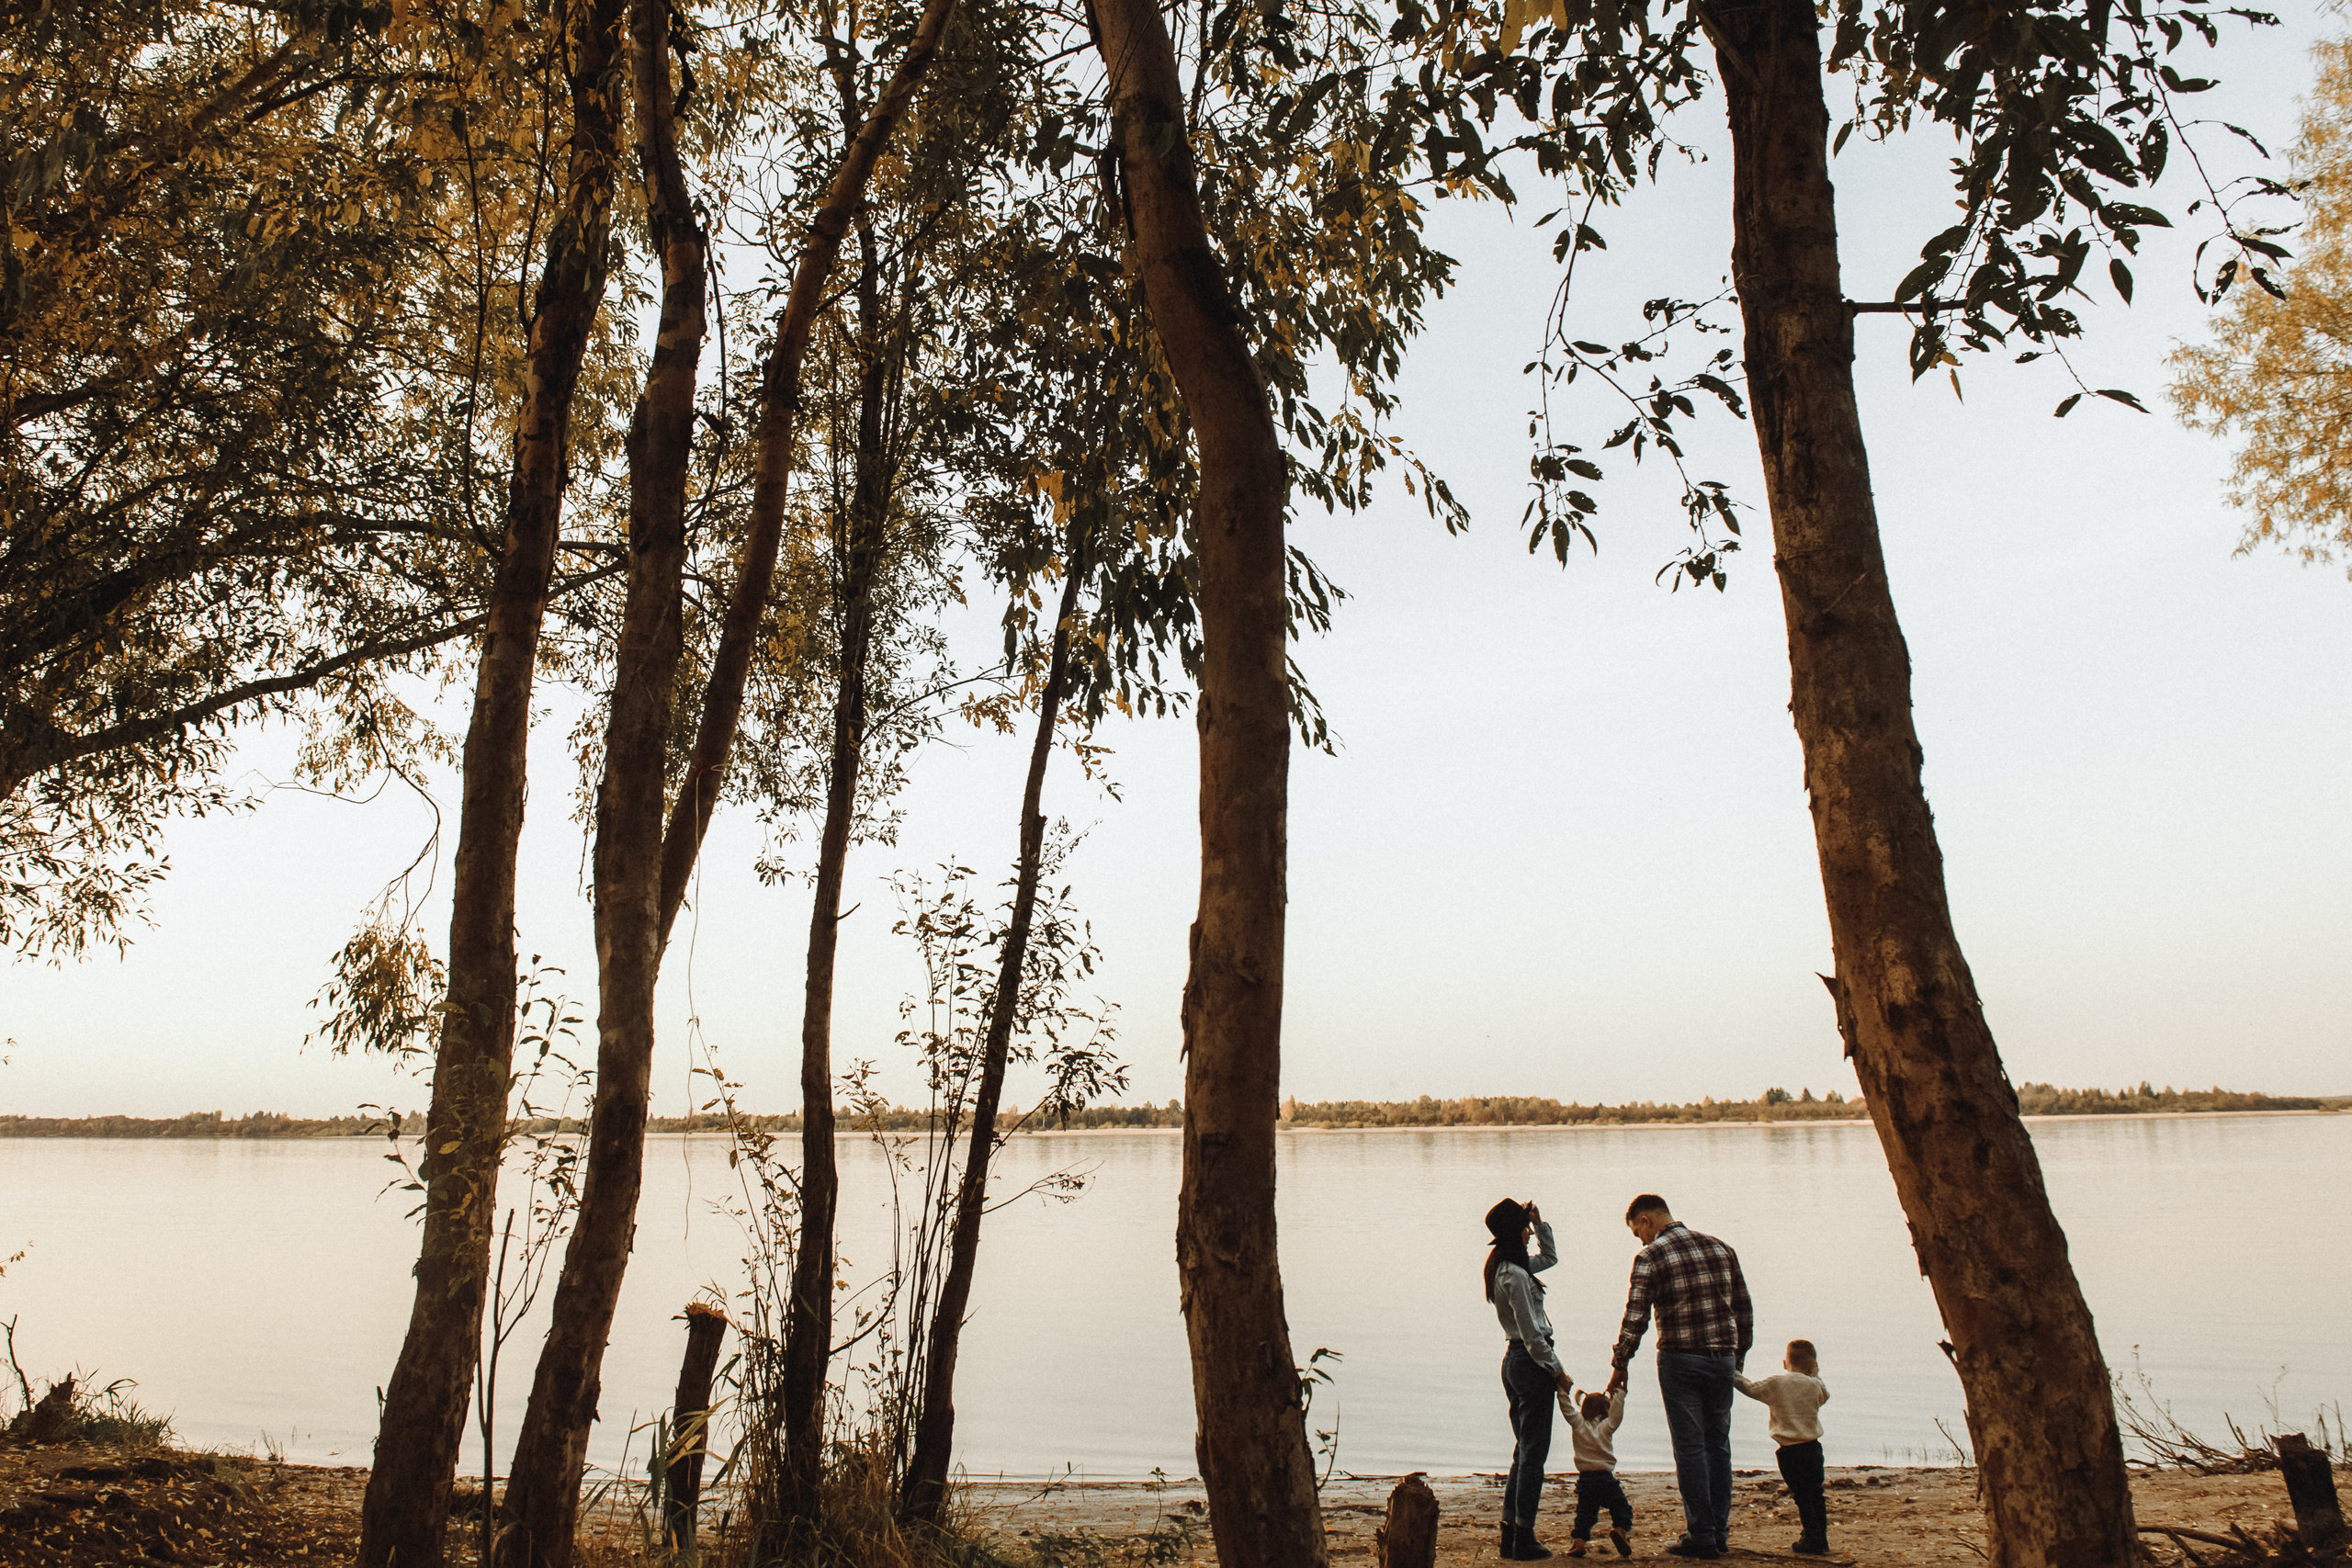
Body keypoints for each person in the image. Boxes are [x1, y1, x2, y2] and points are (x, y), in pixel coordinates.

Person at [1605, 1193, 1753, 1561]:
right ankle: (1719, 1532)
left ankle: (1701, 1535)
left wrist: (1620, 1363)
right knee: (1718, 1445)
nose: (1639, 1239)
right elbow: (1744, 1308)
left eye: (1637, 1231)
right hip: (1722, 1358)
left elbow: (1635, 1317)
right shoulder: (1721, 1247)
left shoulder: (1650, 1256)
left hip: (1680, 1360)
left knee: (1689, 1448)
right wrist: (1739, 1357)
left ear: (1646, 1221)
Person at [1486, 1197, 1569, 1561]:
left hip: (1516, 1363)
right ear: (1513, 1231)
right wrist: (1557, 1370)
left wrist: (1540, 1223)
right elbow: (1533, 1335)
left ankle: (1511, 1534)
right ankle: (1523, 1537)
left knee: (1523, 1453)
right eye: (1523, 1225)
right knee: (1533, 1457)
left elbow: (1549, 1258)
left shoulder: (1510, 1266)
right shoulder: (1514, 1275)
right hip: (1529, 1364)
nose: (1527, 1230)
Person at [1736, 1338, 1832, 1555]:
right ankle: (1819, 1537)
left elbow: (1749, 1388)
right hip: (1813, 1448)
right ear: (1812, 1365)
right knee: (1815, 1494)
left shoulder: (1776, 1383)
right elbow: (1824, 1394)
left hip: (1789, 1451)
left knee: (1801, 1495)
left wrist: (1731, 1373)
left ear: (1784, 1363)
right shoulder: (1816, 1385)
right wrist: (1815, 1375)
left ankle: (1812, 1538)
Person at [1555, 1382, 1632, 1558]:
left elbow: (1566, 1408)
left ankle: (1579, 1543)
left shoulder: (1578, 1423)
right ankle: (1620, 1530)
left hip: (1586, 1480)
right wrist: (1619, 1394)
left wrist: (1562, 1390)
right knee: (1621, 1508)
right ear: (1605, 1411)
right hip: (1605, 1478)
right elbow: (1617, 1416)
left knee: (1585, 1513)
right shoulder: (1606, 1427)